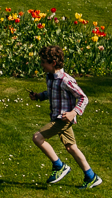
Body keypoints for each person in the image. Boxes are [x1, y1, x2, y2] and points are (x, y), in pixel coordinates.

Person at [31, 46, 101, 188]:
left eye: (44, 62)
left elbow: (83, 98)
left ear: (54, 63)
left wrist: (73, 113)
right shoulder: (50, 77)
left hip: (62, 119)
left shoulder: (66, 80)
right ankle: (91, 177)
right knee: (71, 148)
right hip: (57, 117)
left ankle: (59, 166)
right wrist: (39, 96)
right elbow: (52, 94)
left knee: (37, 137)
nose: (41, 65)